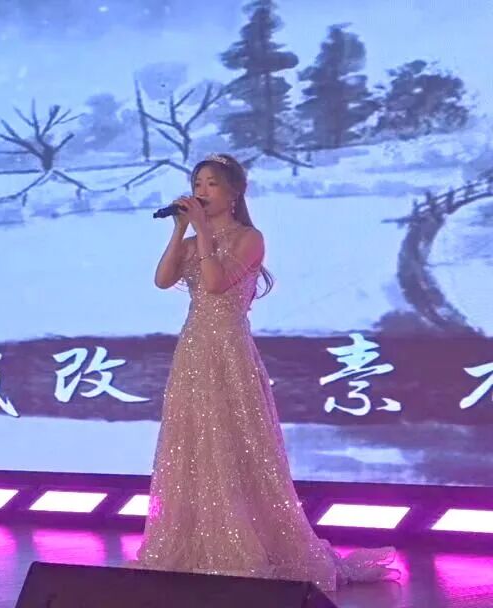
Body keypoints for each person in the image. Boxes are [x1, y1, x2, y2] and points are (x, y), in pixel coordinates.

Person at [124, 153, 398, 592]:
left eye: (211, 183)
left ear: (233, 192)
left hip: (230, 350)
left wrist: (202, 232)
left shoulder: (250, 239)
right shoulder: (194, 239)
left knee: (234, 442)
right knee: (193, 443)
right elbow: (162, 279)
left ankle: (246, 546)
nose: (201, 190)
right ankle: (197, 546)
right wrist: (180, 230)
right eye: (197, 183)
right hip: (193, 350)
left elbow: (215, 283)